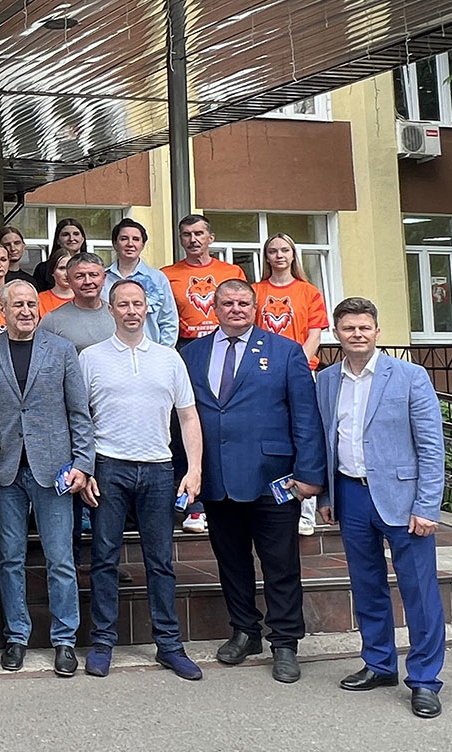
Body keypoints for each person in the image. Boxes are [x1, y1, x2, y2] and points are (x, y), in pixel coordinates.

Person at [178, 278, 326, 685]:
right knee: (231, 561)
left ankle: (285, 643)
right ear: (214, 307)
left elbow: (306, 416)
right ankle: (244, 631)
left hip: (272, 477)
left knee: (280, 564)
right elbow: (183, 416)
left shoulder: (286, 351)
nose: (236, 309)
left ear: (255, 308)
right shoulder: (191, 354)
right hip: (217, 477)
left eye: (244, 303)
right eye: (228, 303)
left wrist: (309, 474)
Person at [317, 297, 447, 719]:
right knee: (367, 585)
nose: (357, 334)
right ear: (336, 334)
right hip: (351, 494)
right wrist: (326, 497)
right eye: (348, 328)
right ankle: (379, 663)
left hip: (404, 500)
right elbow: (326, 441)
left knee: (419, 592)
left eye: (364, 327)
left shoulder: (410, 376)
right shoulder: (326, 380)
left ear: (377, 332)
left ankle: (424, 679)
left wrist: (427, 505)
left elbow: (431, 446)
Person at [79, 280, 204, 681]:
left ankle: (169, 644)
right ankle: (102, 642)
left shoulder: (169, 359)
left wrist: (195, 469)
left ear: (148, 309)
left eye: (137, 304)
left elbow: (188, 417)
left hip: (158, 469)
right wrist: (84, 469)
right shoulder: (91, 358)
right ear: (110, 310)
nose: (131, 311)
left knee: (160, 561)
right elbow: (79, 418)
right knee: (104, 559)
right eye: (123, 304)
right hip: (108, 467)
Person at [0, 279, 94, 677]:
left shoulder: (61, 350)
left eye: (31, 304)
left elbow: (79, 411)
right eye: (18, 305)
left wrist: (83, 463)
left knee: (60, 558)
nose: (26, 311)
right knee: (10, 558)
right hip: (7, 471)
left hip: (54, 470)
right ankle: (16, 636)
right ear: (2, 311)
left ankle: (65, 640)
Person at [254, 234, 331, 534]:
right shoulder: (256, 290)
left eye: (284, 250)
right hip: (263, 373)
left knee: (304, 436)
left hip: (300, 372)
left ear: (293, 254)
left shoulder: (309, 291)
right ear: (266, 256)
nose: (279, 255)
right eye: (273, 251)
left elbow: (315, 334)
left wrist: (294, 366)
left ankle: (305, 513)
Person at [162, 214, 246, 346]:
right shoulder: (166, 275)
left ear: (211, 238)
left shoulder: (233, 272)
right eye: (186, 235)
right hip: (185, 344)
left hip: (227, 341)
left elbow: (245, 309)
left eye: (198, 233)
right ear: (180, 239)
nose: (193, 240)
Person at [101, 218, 177, 347]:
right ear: (115, 244)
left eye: (136, 239)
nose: (130, 244)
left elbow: (168, 320)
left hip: (150, 351)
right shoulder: (103, 278)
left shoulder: (158, 278)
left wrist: (164, 352)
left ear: (143, 245)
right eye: (124, 239)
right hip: (110, 350)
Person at [38, 252, 118, 351]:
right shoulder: (52, 321)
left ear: (104, 278)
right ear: (69, 281)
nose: (88, 281)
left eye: (93, 275)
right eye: (80, 276)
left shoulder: (117, 314)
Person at [32, 217, 88, 292]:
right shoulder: (44, 269)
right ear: (58, 240)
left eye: (76, 234)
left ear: (82, 239)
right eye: (65, 235)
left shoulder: (91, 266)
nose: (71, 238)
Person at [38, 249, 76, 317]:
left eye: (70, 268)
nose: (67, 273)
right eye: (62, 268)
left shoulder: (85, 298)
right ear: (52, 271)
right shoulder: (40, 299)